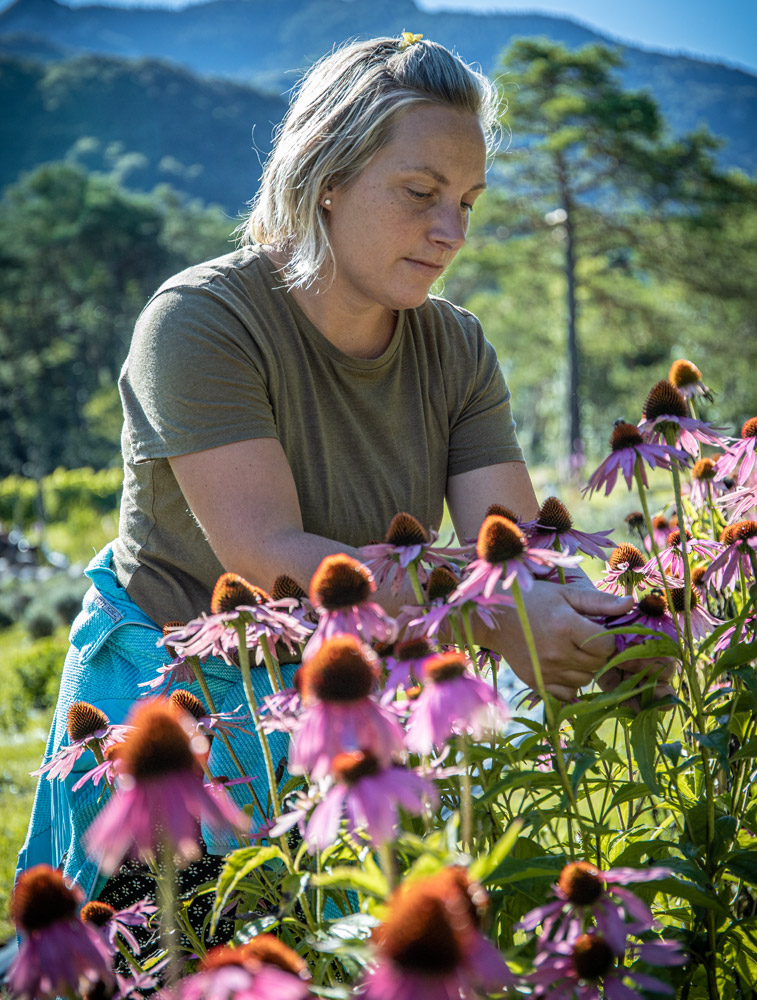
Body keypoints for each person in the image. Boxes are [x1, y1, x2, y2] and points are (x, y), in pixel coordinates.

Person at [17, 34, 662, 914]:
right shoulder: (200, 322)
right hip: (179, 719)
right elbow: (269, 555)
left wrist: (610, 622)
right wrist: (496, 610)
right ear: (326, 175)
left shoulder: (455, 344)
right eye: (419, 194)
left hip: (354, 711)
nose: (451, 232)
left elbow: (508, 554)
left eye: (467, 202)